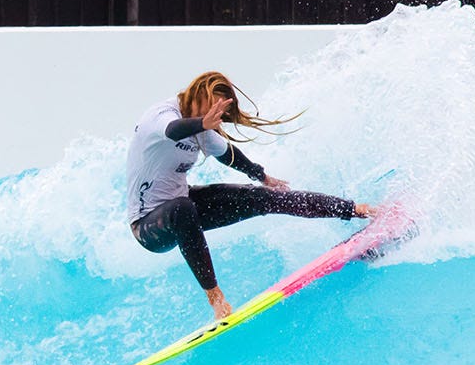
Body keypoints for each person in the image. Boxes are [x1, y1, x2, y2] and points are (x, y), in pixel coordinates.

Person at [126, 71, 376, 320]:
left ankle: (355, 209)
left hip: (184, 206)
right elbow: (172, 130)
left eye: (218, 112)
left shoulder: (202, 128)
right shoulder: (162, 114)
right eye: (211, 108)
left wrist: (262, 177)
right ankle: (215, 297)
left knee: (263, 197)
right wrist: (202, 123)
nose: (213, 117)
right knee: (182, 208)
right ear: (198, 92)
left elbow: (228, 154)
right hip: (149, 225)